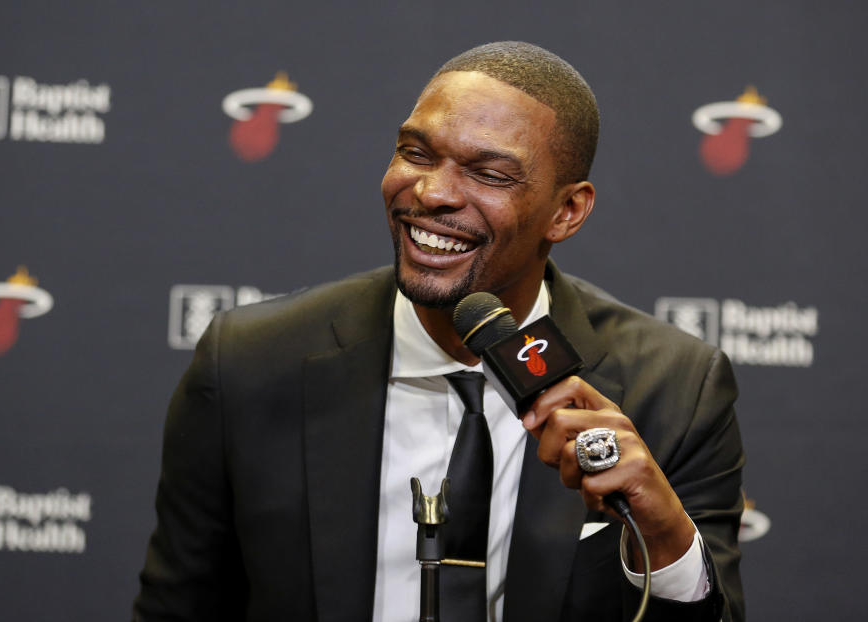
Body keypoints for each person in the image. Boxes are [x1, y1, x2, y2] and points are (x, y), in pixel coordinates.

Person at [133, 41, 744, 622]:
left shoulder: (676, 387)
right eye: (417, 153)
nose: (430, 192)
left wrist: (662, 534)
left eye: (489, 173)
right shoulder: (248, 361)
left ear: (566, 211)